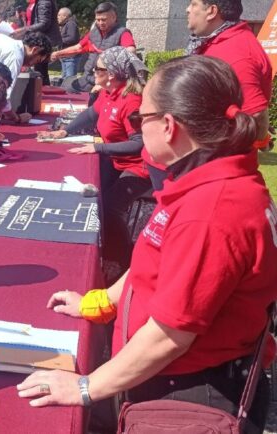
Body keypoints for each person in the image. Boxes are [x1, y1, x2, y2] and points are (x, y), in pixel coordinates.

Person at [20, 55, 277, 433]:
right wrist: (100, 302)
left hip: (188, 393)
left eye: (142, 117)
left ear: (169, 126)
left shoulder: (211, 212)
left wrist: (86, 387)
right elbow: (152, 264)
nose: (138, 127)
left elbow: (169, 336)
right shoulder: (202, 181)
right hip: (169, 375)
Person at [38, 46, 151, 271]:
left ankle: (123, 261)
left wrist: (99, 149)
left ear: (111, 73)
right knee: (90, 194)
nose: (92, 72)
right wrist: (65, 131)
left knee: (109, 207)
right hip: (118, 161)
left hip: (140, 167)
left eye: (97, 68)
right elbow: (92, 114)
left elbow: (140, 144)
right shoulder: (108, 93)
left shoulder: (131, 102)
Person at [186, 0, 272, 150]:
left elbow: (255, 114)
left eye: (194, 4)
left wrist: (261, 142)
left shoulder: (236, 53)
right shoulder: (220, 42)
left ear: (212, 11)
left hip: (217, 157)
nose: (188, 10)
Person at [51, 2, 136, 99]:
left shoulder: (122, 33)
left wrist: (104, 83)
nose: (100, 23)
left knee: (93, 100)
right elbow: (78, 48)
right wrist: (58, 53)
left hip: (107, 83)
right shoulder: (93, 33)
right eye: (97, 20)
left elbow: (131, 51)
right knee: (65, 87)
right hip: (87, 78)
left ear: (114, 17)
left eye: (103, 20)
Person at [12, 0, 62, 86]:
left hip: (44, 41)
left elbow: (44, 23)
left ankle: (41, 92)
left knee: (40, 70)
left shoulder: (44, 2)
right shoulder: (37, 3)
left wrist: (23, 30)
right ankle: (41, 91)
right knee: (40, 70)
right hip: (40, 39)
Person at [57, 8, 80, 81]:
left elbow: (72, 38)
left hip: (70, 57)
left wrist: (59, 40)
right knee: (65, 78)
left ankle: (70, 91)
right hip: (66, 56)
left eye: (59, 15)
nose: (57, 17)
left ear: (65, 16)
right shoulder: (66, 24)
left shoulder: (71, 24)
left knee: (69, 79)